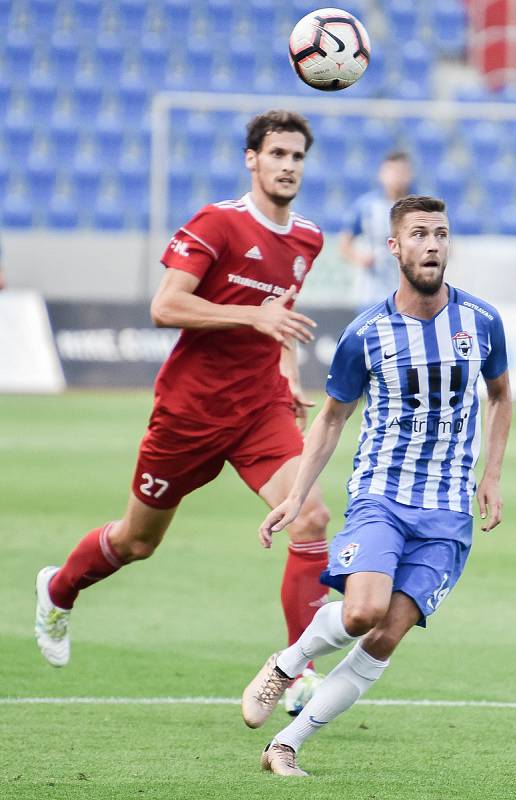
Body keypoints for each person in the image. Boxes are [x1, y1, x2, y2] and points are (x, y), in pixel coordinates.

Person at [34, 110, 331, 677]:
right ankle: (59, 589)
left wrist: (288, 371)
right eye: (277, 154)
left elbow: (280, 316)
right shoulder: (217, 224)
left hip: (259, 411)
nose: (288, 166)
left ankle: (297, 673)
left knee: (310, 516)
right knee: (136, 542)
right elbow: (164, 306)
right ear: (252, 159)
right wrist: (252, 318)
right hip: (190, 412)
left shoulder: (307, 238)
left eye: (297, 156)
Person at [242, 195, 512, 777]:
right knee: (363, 611)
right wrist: (294, 496)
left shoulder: (482, 321)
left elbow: (500, 395)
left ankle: (285, 745)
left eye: (441, 233)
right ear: (395, 247)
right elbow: (333, 416)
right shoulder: (367, 332)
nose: (433, 244)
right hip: (381, 497)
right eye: (419, 234)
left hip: (447, 511)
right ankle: (288, 662)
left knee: (387, 635)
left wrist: (490, 474)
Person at [339, 151, 413, 311]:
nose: (396, 177)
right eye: (392, 171)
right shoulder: (366, 206)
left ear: (409, 175)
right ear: (382, 174)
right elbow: (344, 245)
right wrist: (360, 258)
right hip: (372, 295)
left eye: (401, 172)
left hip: (411, 295)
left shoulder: (419, 207)